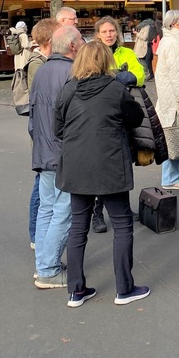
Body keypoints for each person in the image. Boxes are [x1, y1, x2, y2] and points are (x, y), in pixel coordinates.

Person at [55, 41, 148, 308]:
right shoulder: (116, 89)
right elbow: (135, 118)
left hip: (77, 164)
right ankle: (124, 288)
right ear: (107, 61)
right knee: (121, 224)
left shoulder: (69, 89)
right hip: (109, 163)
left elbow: (57, 128)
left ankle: (75, 290)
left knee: (78, 227)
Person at [28, 25, 85, 288]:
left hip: (44, 150)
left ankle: (43, 264)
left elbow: (33, 119)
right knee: (63, 210)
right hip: (63, 152)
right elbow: (75, 120)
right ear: (72, 46)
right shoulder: (71, 73)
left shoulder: (42, 71)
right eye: (82, 39)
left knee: (47, 209)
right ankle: (48, 269)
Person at [92, 16, 146, 232]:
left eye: (112, 31)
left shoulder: (127, 53)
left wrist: (119, 77)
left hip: (123, 112)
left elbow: (140, 75)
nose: (109, 35)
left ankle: (122, 207)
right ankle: (97, 212)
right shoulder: (93, 53)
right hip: (101, 116)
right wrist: (121, 76)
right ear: (98, 34)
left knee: (124, 162)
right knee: (101, 166)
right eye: (104, 31)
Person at [27, 18, 60, 253]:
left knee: (47, 201)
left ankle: (42, 252)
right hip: (51, 145)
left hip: (45, 143)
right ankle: (47, 260)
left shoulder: (43, 65)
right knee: (52, 205)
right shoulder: (42, 66)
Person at [155, 9, 179, 189]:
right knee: (174, 136)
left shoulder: (169, 41)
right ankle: (171, 178)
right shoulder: (174, 44)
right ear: (174, 24)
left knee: (172, 136)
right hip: (173, 99)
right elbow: (178, 74)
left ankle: (172, 176)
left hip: (167, 98)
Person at [135, 15, 159, 80]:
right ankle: (149, 74)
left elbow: (144, 37)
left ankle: (149, 74)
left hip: (144, 46)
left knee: (145, 60)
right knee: (145, 60)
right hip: (145, 46)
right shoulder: (149, 27)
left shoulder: (146, 27)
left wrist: (137, 33)